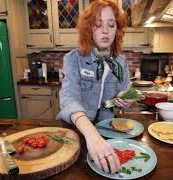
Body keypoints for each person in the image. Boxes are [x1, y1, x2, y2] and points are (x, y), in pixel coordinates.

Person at [57, 0, 133, 174]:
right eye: (98, 25)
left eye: (111, 25)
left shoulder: (120, 61)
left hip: (108, 130)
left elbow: (126, 88)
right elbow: (69, 98)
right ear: (88, 29)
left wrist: (126, 97)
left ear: (117, 29)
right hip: (77, 130)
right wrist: (91, 135)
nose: (106, 31)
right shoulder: (73, 59)